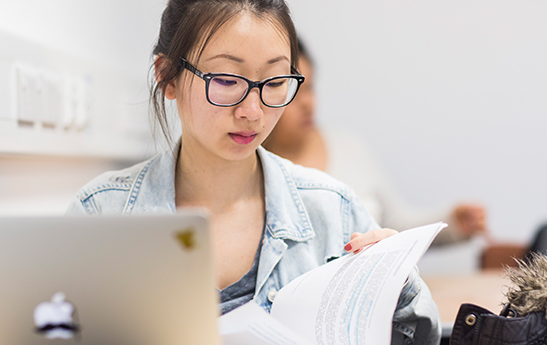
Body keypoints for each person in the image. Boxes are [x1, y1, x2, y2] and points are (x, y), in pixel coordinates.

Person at [67, 1, 440, 343]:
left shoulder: (333, 211)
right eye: (227, 81)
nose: (253, 112)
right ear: (167, 76)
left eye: (275, 83)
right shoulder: (101, 216)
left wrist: (397, 281)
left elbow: (413, 333)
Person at [263, 39, 487, 246]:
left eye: (310, 88)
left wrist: (451, 225)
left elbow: (394, 226)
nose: (308, 104)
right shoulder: (254, 172)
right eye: (294, 92)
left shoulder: (347, 147)